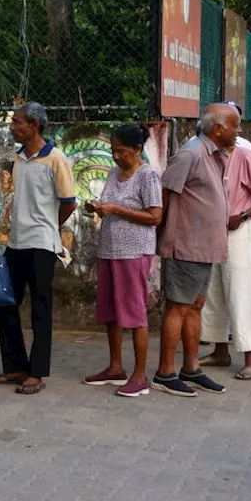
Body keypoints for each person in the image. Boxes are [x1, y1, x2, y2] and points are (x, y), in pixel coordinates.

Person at [0, 101, 77, 395]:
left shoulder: (56, 159)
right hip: (15, 242)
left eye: (17, 122)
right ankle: (15, 366)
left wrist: (48, 226)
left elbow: (69, 202)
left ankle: (37, 373)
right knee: (5, 304)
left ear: (34, 126)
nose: (12, 126)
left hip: (41, 244)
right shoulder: (19, 156)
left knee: (40, 308)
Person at [152, 103, 239, 397]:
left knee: (195, 306)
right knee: (178, 306)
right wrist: (162, 238)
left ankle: (191, 369)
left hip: (204, 248)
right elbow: (164, 195)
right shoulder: (190, 154)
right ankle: (165, 372)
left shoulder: (216, 155)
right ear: (217, 128)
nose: (238, 131)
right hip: (184, 246)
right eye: (234, 125)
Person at [81, 124, 163, 397]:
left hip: (134, 252)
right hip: (109, 250)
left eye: (122, 151)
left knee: (134, 313)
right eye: (112, 150)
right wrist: (97, 207)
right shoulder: (114, 173)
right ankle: (115, 368)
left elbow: (155, 216)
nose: (116, 156)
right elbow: (109, 203)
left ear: (137, 150)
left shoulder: (148, 175)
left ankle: (140, 375)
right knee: (111, 312)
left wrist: (116, 208)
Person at [196, 128, 251, 380]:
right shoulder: (206, 157)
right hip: (213, 232)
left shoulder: (246, 156)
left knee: (243, 294)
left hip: (241, 231)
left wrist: (242, 216)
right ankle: (220, 350)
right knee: (214, 293)